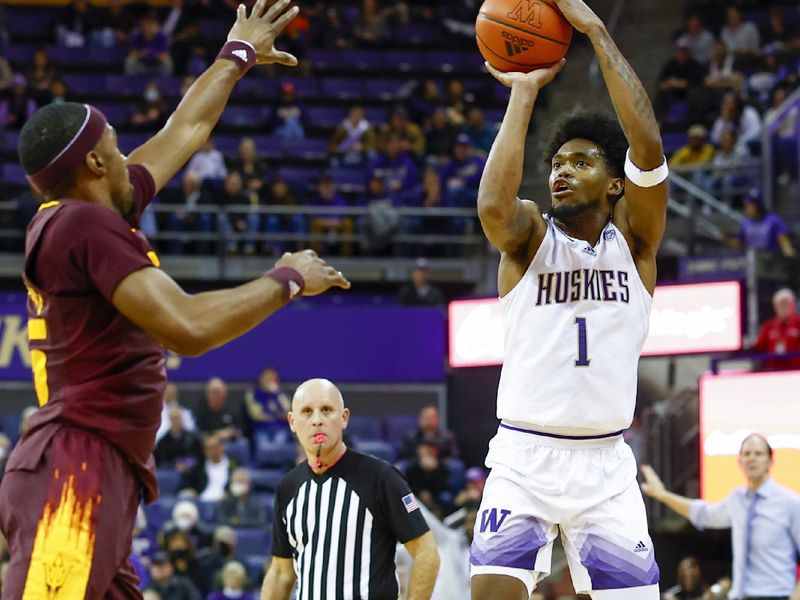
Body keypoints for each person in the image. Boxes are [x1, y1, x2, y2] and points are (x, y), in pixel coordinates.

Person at [0, 4, 350, 598]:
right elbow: (186, 326)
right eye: (112, 140)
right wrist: (287, 279)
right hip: (76, 464)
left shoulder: (90, 210)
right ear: (93, 162)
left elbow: (182, 132)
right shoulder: (85, 225)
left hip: (100, 465)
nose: (123, 147)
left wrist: (234, 58)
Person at [470, 0, 669, 597]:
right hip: (523, 459)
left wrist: (594, 29)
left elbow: (650, 149)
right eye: (556, 162)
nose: (561, 171)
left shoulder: (635, 245)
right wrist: (524, 92)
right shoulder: (530, 239)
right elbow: (492, 209)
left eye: (581, 162)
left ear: (614, 184)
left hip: (606, 468)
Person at [260, 378, 440, 600]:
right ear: (292, 422)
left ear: (344, 418)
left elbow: (426, 553)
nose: (317, 420)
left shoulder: (380, 477)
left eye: (326, 410)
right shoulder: (288, 488)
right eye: (307, 412)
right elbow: (280, 573)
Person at [641, 434, 800, 600]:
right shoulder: (737, 499)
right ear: (740, 462)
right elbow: (702, 514)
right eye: (746, 454)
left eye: (758, 453)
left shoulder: (790, 503)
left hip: (777, 595)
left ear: (770, 461)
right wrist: (663, 495)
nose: (752, 458)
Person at [752, 288, 800, 370]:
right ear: (775, 306)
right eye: (780, 304)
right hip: (774, 371)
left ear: (793, 304)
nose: (783, 307)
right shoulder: (769, 326)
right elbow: (758, 348)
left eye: (786, 303)